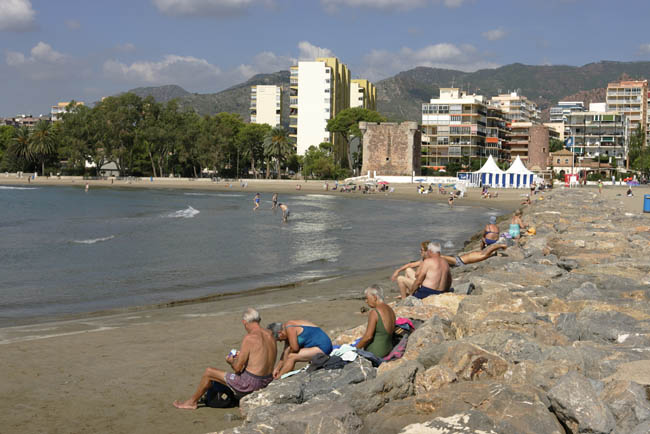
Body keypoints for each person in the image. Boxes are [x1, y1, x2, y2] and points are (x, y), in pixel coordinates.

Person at [173, 308, 276, 410]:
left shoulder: (249, 338)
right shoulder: (270, 334)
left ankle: (192, 402)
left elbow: (237, 369)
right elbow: (261, 360)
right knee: (223, 374)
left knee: (209, 372)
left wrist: (231, 362)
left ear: (244, 322)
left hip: (251, 383)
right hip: (267, 381)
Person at [267, 320, 333, 378]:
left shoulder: (290, 327)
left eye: (278, 339)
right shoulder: (286, 331)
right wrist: (277, 369)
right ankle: (282, 374)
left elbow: (295, 349)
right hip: (316, 347)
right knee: (289, 354)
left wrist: (288, 352)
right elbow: (285, 352)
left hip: (323, 347)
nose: (280, 341)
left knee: (292, 357)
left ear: (280, 333)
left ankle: (279, 378)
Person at [356, 285, 396, 358]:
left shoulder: (374, 312)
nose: (366, 301)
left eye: (367, 298)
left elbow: (368, 337)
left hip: (376, 352)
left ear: (374, 297)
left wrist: (354, 349)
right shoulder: (390, 309)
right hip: (388, 348)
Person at [441, 243, 507, 268]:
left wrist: (501, 245)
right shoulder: (482, 254)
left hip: (459, 261)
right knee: (441, 259)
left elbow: (492, 248)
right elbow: (491, 248)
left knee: (441, 257)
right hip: (459, 260)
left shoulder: (484, 255)